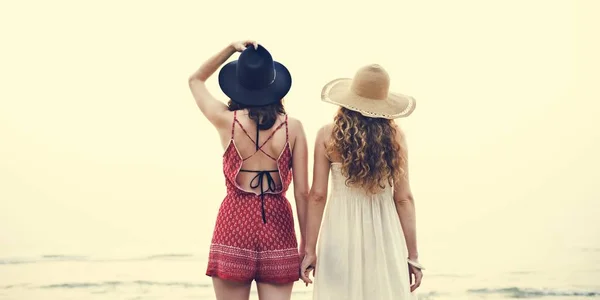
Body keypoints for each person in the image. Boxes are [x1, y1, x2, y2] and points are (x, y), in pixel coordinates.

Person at [188, 40, 309, 300]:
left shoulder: (225, 121)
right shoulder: (294, 128)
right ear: (274, 86)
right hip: (278, 225)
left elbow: (196, 80)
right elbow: (303, 194)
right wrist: (308, 247)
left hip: (234, 221)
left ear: (238, 85)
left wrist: (230, 48)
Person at [300, 64, 423, 299]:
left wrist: (309, 250)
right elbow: (404, 198)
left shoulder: (327, 135)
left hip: (339, 232)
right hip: (385, 235)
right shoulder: (396, 138)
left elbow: (317, 195)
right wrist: (413, 255)